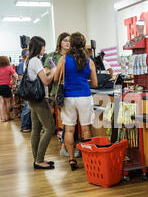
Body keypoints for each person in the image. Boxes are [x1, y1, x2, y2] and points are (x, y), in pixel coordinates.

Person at [54, 32, 98, 170]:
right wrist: (84, 83)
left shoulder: (64, 59)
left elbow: (56, 79)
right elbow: (95, 83)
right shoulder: (89, 61)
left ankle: (72, 159)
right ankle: (88, 158)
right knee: (86, 129)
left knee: (69, 129)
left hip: (68, 97)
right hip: (85, 96)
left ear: (71, 44)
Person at [26, 36, 56, 170]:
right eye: (43, 46)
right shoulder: (36, 61)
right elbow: (46, 81)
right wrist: (53, 71)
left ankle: (37, 159)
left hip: (32, 99)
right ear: (38, 47)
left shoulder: (29, 60)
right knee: (50, 127)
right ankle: (39, 160)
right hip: (39, 99)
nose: (44, 48)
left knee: (36, 129)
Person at [43, 32, 72, 157]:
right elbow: (47, 74)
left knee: (71, 121)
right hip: (59, 92)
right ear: (60, 41)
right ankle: (64, 146)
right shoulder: (52, 56)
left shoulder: (73, 56)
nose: (67, 43)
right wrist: (56, 71)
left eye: (70, 41)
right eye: (65, 40)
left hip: (73, 90)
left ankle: (69, 145)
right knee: (66, 121)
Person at [0, 56, 18, 122]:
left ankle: (3, 118)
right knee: (7, 102)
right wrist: (12, 80)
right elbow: (16, 76)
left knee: (0, 103)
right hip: (5, 86)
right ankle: (8, 116)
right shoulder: (9, 68)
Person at [19, 50, 32, 132]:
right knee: (27, 107)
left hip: (29, 87)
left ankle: (28, 125)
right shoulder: (22, 64)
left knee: (29, 107)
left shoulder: (29, 62)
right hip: (26, 88)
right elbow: (20, 76)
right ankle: (24, 126)